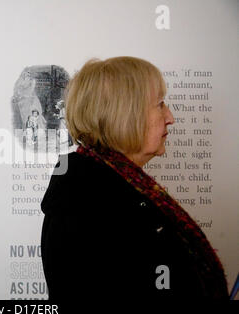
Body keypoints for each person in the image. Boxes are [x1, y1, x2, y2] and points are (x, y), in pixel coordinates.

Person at [40, 56, 229, 300]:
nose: (170, 116)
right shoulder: (86, 204)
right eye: (160, 104)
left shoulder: (117, 188)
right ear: (124, 114)